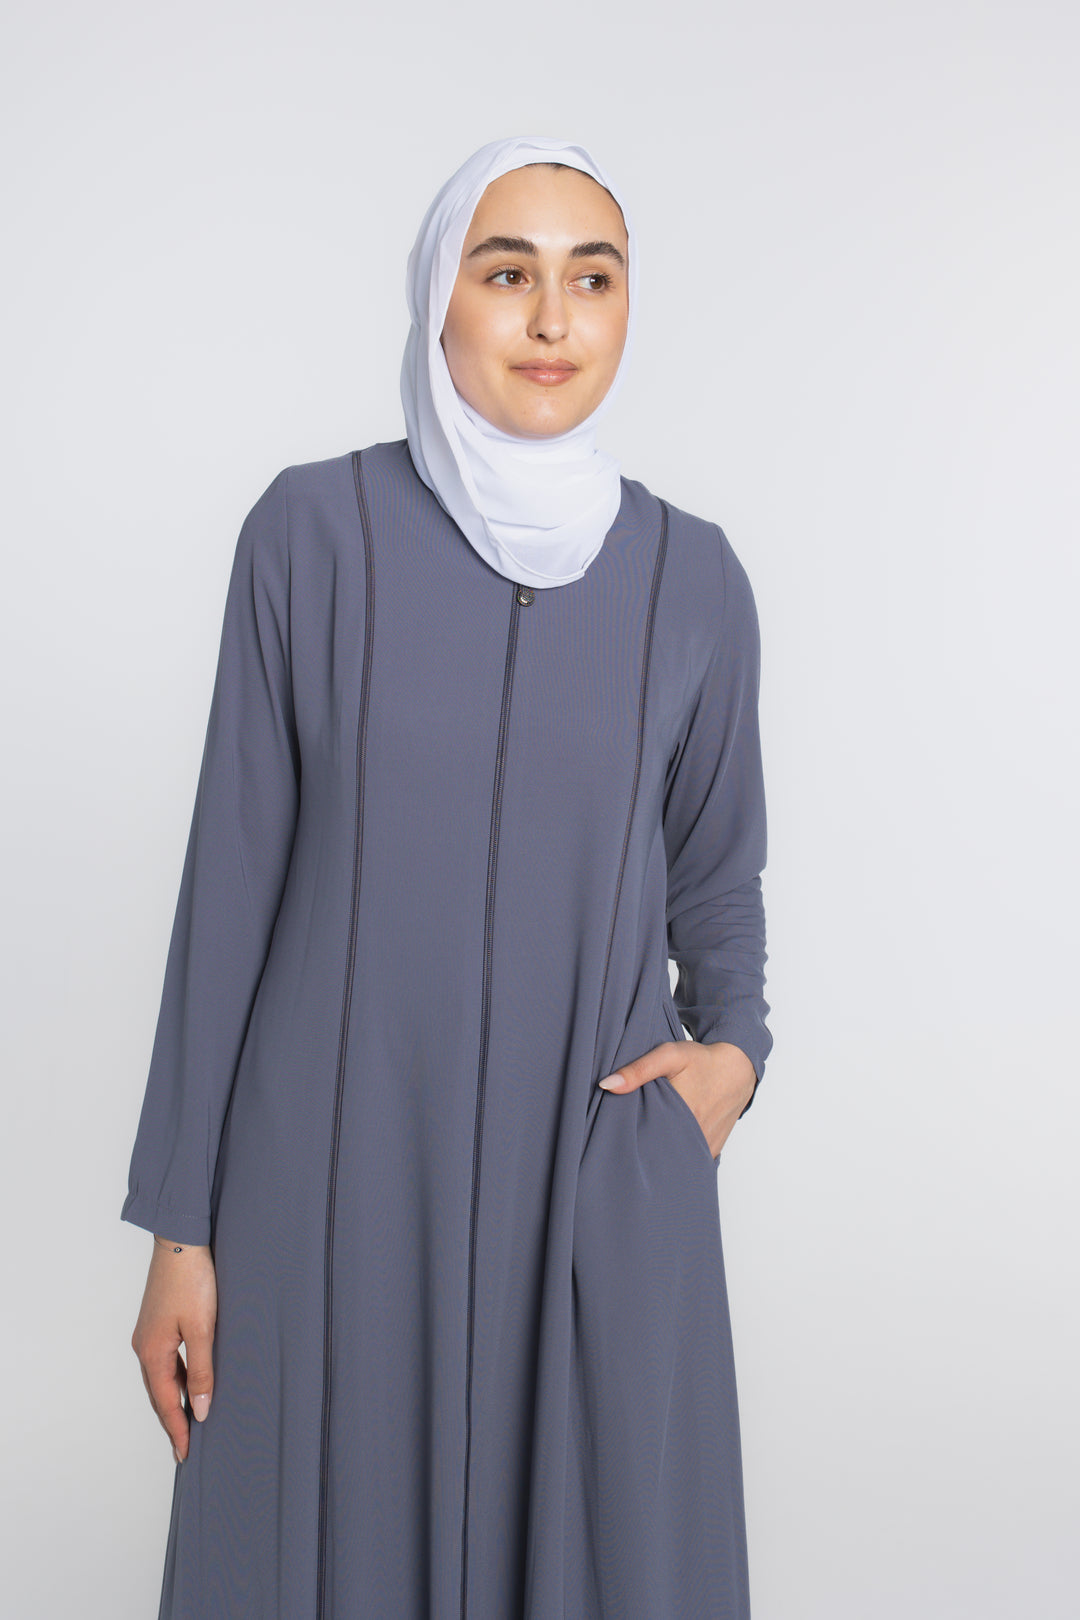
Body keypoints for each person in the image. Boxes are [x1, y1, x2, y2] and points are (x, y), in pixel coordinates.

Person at [123, 134, 772, 1620]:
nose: (551, 320)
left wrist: (734, 1058)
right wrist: (182, 1231)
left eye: (592, 279)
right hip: (328, 1198)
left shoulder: (695, 580)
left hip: (590, 1189)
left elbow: (720, 878)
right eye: (506, 272)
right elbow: (229, 890)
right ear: (438, 300)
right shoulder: (311, 536)